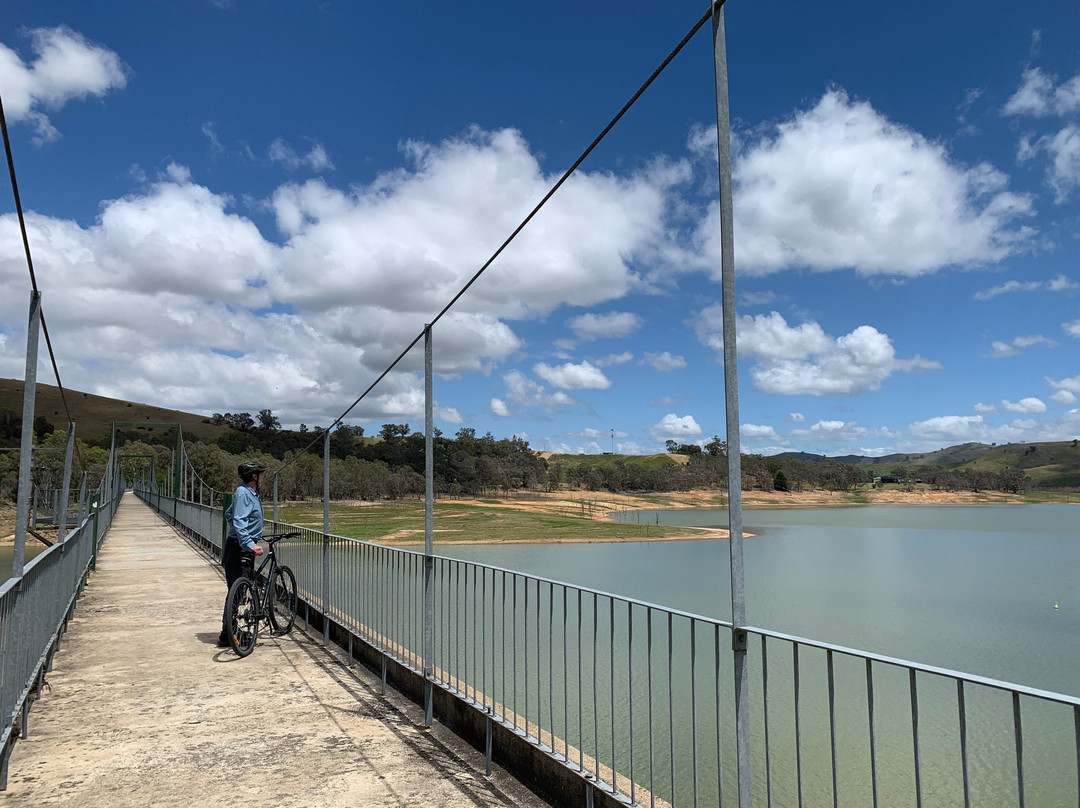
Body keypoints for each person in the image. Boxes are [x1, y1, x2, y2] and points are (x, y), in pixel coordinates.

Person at [218, 459, 267, 647]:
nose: (263, 477)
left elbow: (230, 515)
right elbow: (238, 520)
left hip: (241, 545)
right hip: (240, 547)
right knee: (237, 591)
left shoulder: (250, 493)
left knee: (240, 588)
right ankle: (228, 634)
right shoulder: (243, 493)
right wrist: (249, 543)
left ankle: (229, 632)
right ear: (253, 477)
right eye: (260, 474)